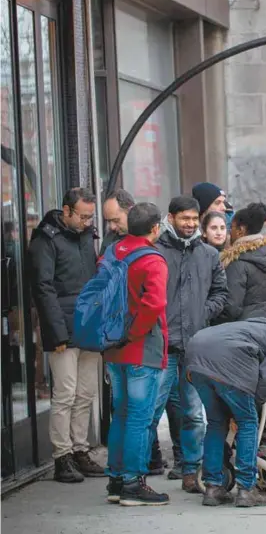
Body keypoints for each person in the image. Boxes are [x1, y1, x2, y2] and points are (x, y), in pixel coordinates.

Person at [151, 195, 228, 493]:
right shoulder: (156, 251)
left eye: (194, 219)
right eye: (185, 218)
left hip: (195, 345)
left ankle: (190, 470)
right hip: (163, 345)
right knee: (150, 412)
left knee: (194, 413)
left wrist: (203, 313)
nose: (191, 224)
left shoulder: (208, 254)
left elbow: (220, 293)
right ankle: (134, 474)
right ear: (170, 218)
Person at [28, 188, 104, 483]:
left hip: (88, 326)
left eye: (90, 216)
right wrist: (57, 331)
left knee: (86, 393)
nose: (87, 221)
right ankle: (62, 457)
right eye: (83, 216)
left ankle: (80, 450)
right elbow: (43, 287)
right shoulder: (46, 238)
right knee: (65, 394)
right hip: (62, 327)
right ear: (67, 211)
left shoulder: (87, 235)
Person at [185, 319, 266, 507]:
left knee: (215, 423)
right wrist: (252, 405)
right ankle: (246, 489)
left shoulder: (258, 327)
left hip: (196, 355)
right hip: (229, 362)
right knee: (247, 422)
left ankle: (213, 488)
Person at [104, 202, 170, 507]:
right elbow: (154, 304)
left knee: (121, 414)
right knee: (140, 419)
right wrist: (135, 333)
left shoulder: (111, 252)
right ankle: (133, 482)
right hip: (141, 348)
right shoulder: (153, 260)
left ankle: (116, 480)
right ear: (155, 229)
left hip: (113, 348)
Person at [219, 203, 266, 323]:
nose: (230, 232)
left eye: (232, 227)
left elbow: (232, 307)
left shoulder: (237, 260)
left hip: (243, 328)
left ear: (241, 230)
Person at [100, 188, 135, 254]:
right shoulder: (109, 239)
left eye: (116, 220)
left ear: (131, 212)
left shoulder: (150, 236)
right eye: (108, 221)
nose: (112, 227)